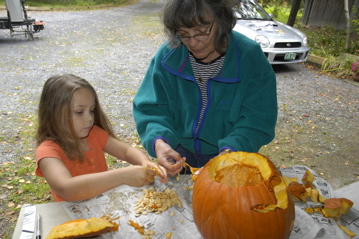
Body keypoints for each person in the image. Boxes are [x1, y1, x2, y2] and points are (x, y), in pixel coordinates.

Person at [133, 0, 278, 176]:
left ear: (222, 20)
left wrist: (230, 153)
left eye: (202, 32)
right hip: (178, 152)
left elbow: (257, 120)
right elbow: (151, 109)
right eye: (184, 34)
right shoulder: (169, 55)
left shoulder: (250, 58)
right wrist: (160, 142)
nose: (193, 43)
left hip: (231, 153)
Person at [35, 74, 167, 202]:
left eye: (92, 110)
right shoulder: (47, 152)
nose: (90, 118)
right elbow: (67, 189)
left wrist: (144, 161)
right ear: (54, 113)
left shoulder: (94, 134)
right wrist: (123, 176)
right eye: (79, 112)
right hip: (72, 220)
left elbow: (126, 151)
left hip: (102, 208)